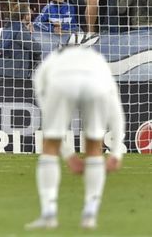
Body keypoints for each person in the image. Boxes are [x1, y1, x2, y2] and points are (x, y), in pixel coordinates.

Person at [26, 45, 124, 230]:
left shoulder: (47, 64)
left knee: (50, 143)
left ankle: (48, 214)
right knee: (94, 144)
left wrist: (69, 156)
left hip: (61, 81)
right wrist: (116, 154)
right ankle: (90, 214)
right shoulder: (98, 60)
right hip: (96, 82)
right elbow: (116, 112)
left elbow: (48, 118)